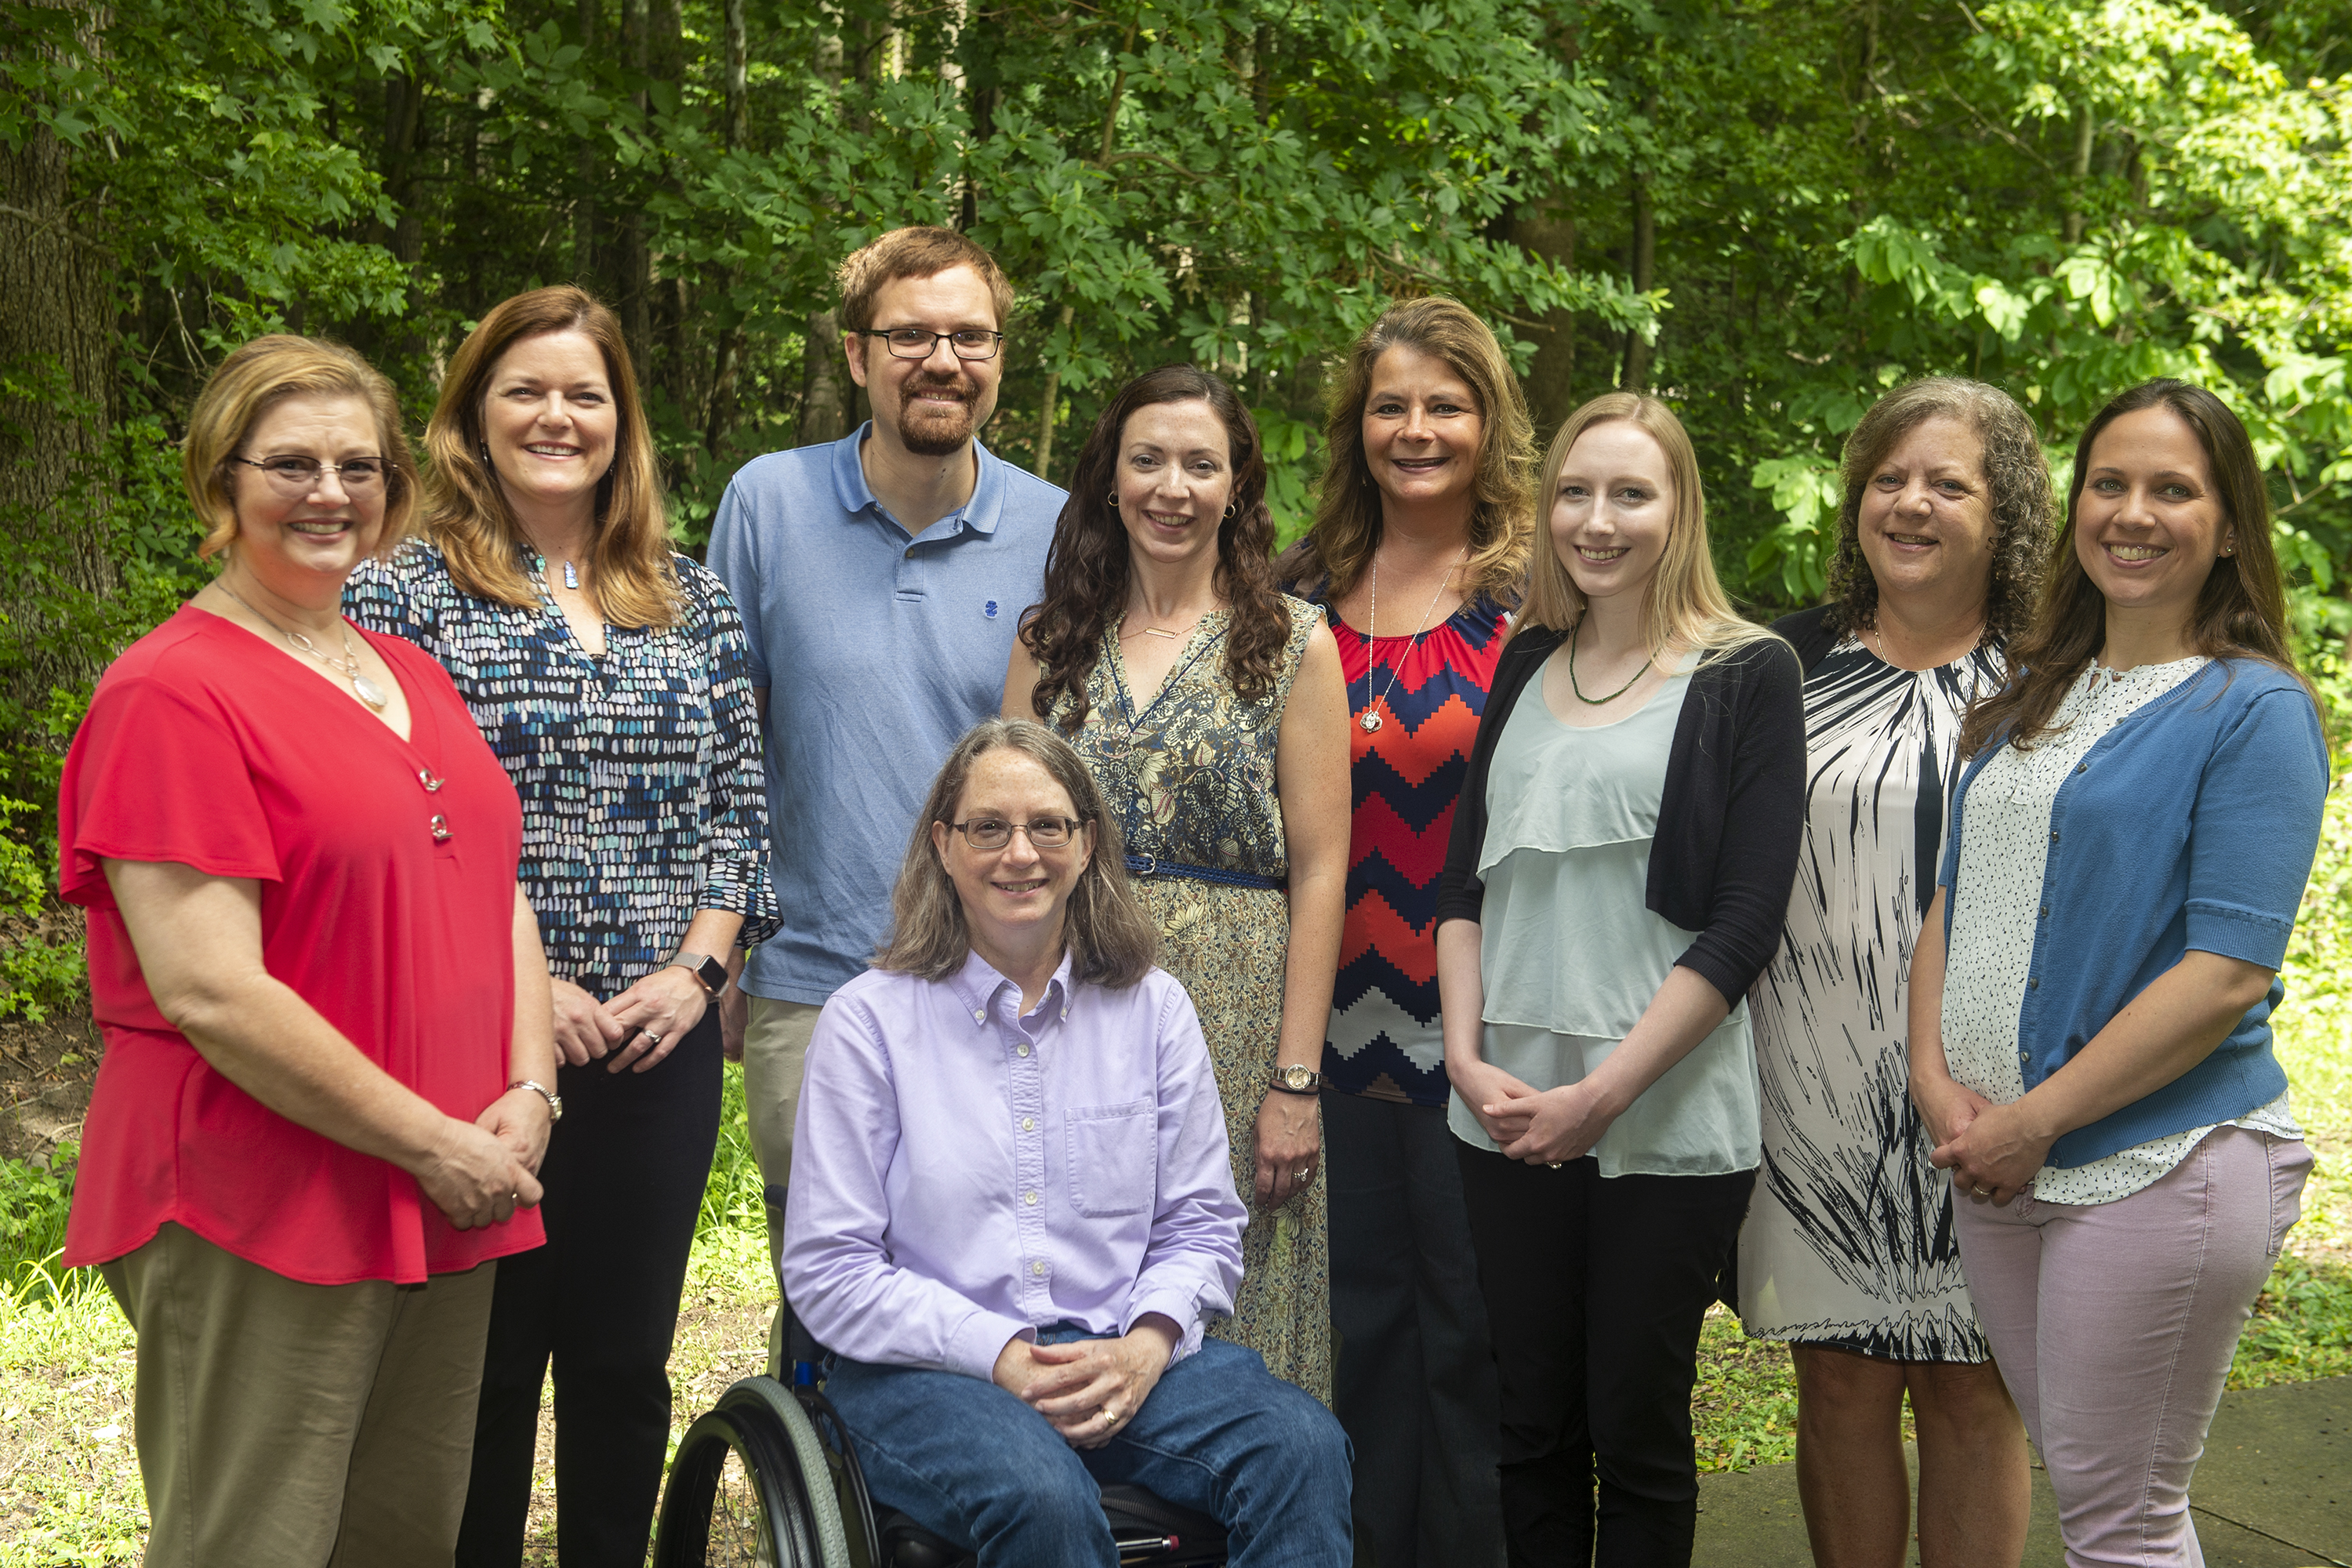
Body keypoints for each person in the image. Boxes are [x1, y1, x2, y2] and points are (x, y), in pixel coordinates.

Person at [59, 334, 556, 1567]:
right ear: (217, 485)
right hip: (266, 1194)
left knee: (400, 1541)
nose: (330, 492)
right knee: (257, 1544)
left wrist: (530, 1091)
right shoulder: (170, 692)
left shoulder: (406, 670)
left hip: (446, 1189)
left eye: (359, 465)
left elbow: (498, 888)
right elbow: (211, 990)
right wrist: (436, 1140)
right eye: (289, 464)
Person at [344, 285, 776, 1568]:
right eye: (525, 388)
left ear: (621, 419)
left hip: (658, 1042)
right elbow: (406, 813)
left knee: (623, 1364)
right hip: (482, 1044)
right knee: (479, 1372)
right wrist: (534, 990)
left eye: (585, 392)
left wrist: (699, 974)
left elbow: (740, 808)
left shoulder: (687, 599)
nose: (556, 415)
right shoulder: (403, 595)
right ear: (475, 410)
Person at [1910, 379, 2325, 1566]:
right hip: (1999, 1160)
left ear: (2231, 524)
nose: (2133, 513)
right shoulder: (2034, 690)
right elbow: (1953, 896)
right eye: (2110, 483)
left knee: (2121, 1523)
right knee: (2107, 1502)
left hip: (2158, 1167)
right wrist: (1936, 1081)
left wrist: (2029, 1121)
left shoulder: (2255, 711)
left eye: (2173, 490)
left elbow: (2227, 972)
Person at [782, 718, 1353, 1568]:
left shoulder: (1154, 1010)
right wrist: (1001, 1353)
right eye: (989, 827)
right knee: (1039, 1496)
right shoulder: (868, 1023)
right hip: (930, 1374)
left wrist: (1145, 1345)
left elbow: (1200, 1225)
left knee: (1302, 1446)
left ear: (1086, 845)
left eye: (1047, 825)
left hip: (1117, 1351)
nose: (1021, 853)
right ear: (943, 844)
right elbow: (830, 1270)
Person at [1435, 393, 1805, 1566]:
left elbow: (1743, 926)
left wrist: (1600, 1098)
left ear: (1678, 509)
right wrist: (1464, 1059)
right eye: (1576, 492)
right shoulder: (1526, 657)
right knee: (1533, 1426)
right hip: (1502, 1108)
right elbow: (1461, 891)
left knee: (1636, 1432)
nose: (1598, 520)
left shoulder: (1747, 673)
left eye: (1631, 493)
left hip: (1664, 1118)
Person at [1734, 378, 2049, 1568]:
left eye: (1947, 483)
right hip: (1804, 1086)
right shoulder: (1776, 665)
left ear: (2006, 510)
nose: (1909, 504)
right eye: (1888, 478)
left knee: (1977, 1387)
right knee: (1842, 1380)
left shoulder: (2053, 676)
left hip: (1992, 1085)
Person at [708, 225, 1062, 1269]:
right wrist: (721, 942)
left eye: (970, 337)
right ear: (858, 353)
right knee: (825, 1290)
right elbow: (730, 743)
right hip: (816, 976)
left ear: (1000, 358)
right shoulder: (767, 504)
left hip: (1004, 988)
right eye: (911, 336)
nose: (943, 361)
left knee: (991, 1282)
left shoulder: (1059, 528)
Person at [1004, 365, 1351, 1401]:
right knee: (1076, 1259)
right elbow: (1004, 840)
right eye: (1147, 459)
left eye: (1202, 464)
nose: (1172, 486)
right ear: (1110, 479)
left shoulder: (1291, 643)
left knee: (1232, 1273)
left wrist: (1295, 1081)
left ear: (1238, 485)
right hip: (1073, 995)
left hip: (1238, 1010)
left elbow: (1323, 867)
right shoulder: (1048, 642)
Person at [1276, 297, 1525, 1566]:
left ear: (1488, 424)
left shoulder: (1537, 602)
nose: (1416, 429)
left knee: (1474, 1337)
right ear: (1355, 425)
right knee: (1354, 1333)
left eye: (1444, 404)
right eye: (1391, 405)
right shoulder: (1293, 592)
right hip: (1327, 1033)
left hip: (1491, 1034)